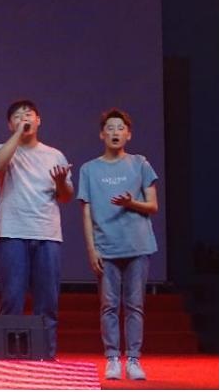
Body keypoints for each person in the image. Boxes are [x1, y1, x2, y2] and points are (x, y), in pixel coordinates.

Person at [0, 99, 72, 358]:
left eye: (29, 114)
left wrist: (61, 182)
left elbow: (66, 196)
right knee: (11, 298)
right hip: (13, 233)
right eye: (17, 116)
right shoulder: (1, 149)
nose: (24, 118)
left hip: (47, 233)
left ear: (39, 120)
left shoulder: (54, 155)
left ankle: (45, 356)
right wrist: (17, 135)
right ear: (10, 124)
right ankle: (9, 358)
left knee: (47, 301)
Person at [77, 109, 158, 381]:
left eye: (120, 128)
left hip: (138, 246)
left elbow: (153, 206)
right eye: (110, 128)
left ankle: (133, 359)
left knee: (135, 305)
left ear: (128, 134)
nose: (115, 132)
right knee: (108, 306)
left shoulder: (140, 164)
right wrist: (91, 249)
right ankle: (112, 358)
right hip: (106, 248)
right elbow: (86, 212)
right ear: (102, 134)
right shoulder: (89, 169)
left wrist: (131, 203)